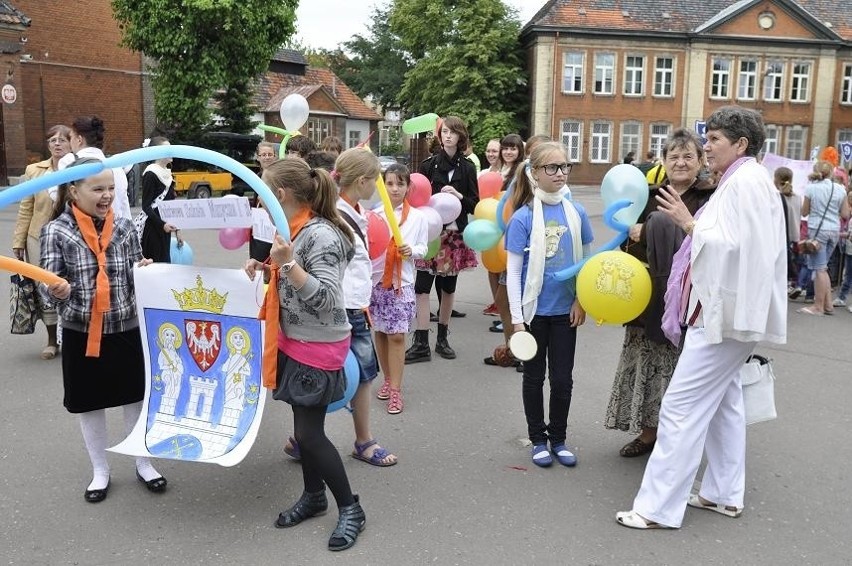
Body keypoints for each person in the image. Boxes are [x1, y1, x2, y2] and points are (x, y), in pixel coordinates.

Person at [616, 105, 787, 530]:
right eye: (706, 138)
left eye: (713, 140)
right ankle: (723, 494)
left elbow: (735, 249)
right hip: (726, 314)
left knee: (680, 406)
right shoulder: (745, 180)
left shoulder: (745, 183)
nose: (706, 147)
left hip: (721, 317)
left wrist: (689, 222)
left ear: (741, 144)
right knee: (725, 404)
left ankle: (656, 509)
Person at [245, 157, 365, 551]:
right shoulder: (293, 229)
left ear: (279, 195)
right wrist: (268, 270)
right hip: (295, 340)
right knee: (304, 430)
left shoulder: (321, 236)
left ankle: (350, 508)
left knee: (309, 436)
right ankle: (314, 497)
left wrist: (288, 265)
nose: (260, 202)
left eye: (263, 193)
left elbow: (329, 300)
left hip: (319, 345)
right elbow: (294, 283)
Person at [40, 157, 167, 503]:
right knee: (89, 403)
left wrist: (143, 269)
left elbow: (132, 270)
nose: (107, 195)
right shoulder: (56, 230)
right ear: (74, 190)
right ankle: (101, 470)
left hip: (126, 327)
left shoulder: (124, 226)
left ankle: (143, 462)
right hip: (82, 331)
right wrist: (55, 288)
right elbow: (46, 282)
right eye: (98, 188)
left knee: (135, 398)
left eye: (111, 188)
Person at [283, 148, 399, 461]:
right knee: (357, 375)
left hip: (352, 306)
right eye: (375, 181)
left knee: (346, 374)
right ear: (362, 181)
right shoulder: (335, 217)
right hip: (341, 309)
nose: (377, 188)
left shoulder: (348, 212)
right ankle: (362, 442)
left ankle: (302, 438)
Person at [606, 129, 715, 457]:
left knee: (681, 368)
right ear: (664, 161)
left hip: (686, 299)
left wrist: (660, 230)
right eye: (674, 157)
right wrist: (634, 236)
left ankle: (679, 438)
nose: (681, 163)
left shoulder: (710, 197)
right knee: (644, 363)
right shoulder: (648, 195)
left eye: (688, 156)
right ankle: (648, 433)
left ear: (700, 161)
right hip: (646, 293)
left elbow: (711, 244)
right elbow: (624, 245)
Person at [505, 142, 594, 468]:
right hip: (532, 315)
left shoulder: (577, 212)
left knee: (562, 380)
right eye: (552, 167)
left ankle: (558, 438)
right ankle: (538, 439)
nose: (560, 173)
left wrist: (581, 300)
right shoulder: (523, 218)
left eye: (564, 166)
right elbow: (513, 273)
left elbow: (586, 262)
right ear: (534, 173)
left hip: (564, 313)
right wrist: (516, 320)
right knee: (533, 377)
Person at [406, 116, 479, 363]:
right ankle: (421, 342)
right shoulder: (428, 166)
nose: (448, 136)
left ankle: (442, 338)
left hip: (454, 235)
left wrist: (457, 195)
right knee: (421, 287)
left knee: (448, 288)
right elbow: (416, 198)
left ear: (460, 137)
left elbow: (474, 204)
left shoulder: (468, 168)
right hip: (430, 234)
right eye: (444, 132)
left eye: (452, 132)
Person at [373, 163, 429, 414]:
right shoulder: (375, 214)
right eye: (390, 183)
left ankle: (396, 389)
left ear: (408, 187)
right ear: (383, 185)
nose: (395, 188)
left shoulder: (417, 217)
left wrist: (411, 250)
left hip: (401, 282)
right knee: (382, 333)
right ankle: (386, 379)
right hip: (377, 282)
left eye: (400, 183)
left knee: (397, 335)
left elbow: (424, 248)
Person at [12, 124, 71, 359]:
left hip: (70, 237)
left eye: (62, 140)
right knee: (45, 288)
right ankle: (51, 340)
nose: (56, 144)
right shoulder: (34, 171)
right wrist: (19, 240)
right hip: (38, 237)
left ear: (72, 142)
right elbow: (26, 207)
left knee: (71, 286)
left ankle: (75, 337)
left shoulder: (79, 168)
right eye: (52, 140)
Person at [797, 160, 849, 316]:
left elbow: (804, 212)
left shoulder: (811, 188)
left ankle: (818, 306)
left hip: (817, 230)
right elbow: (846, 214)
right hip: (834, 229)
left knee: (819, 269)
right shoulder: (840, 189)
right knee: (823, 267)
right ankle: (827, 305)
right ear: (832, 172)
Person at [482, 134, 525, 317]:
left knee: (509, 272)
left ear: (519, 151)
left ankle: (509, 312)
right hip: (493, 225)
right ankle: (500, 310)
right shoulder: (495, 171)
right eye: (505, 148)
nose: (508, 152)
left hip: (511, 225)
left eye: (512, 148)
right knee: (493, 268)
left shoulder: (521, 171)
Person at [59, 116, 132, 221]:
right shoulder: (116, 167)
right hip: (116, 229)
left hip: (80, 229)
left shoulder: (69, 162)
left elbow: (59, 196)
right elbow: (124, 206)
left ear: (79, 140)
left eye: (71, 138)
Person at [135, 137, 181, 262]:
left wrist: (178, 230)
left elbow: (172, 204)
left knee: (165, 264)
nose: (171, 152)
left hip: (165, 229)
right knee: (156, 265)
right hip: (153, 228)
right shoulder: (151, 173)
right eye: (167, 149)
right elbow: (146, 206)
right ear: (157, 152)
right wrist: (162, 224)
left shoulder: (168, 174)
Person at [249, 141, 278, 263]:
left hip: (274, 224)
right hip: (258, 226)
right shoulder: (257, 176)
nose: (267, 157)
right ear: (258, 157)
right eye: (264, 155)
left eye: (269, 154)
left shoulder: (279, 176)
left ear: (275, 156)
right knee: (257, 259)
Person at [774, 167, 802, 292]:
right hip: (795, 233)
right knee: (792, 260)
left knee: (781, 262)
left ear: (776, 179)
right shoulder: (797, 197)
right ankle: (792, 283)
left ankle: (784, 284)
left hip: (782, 234)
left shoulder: (777, 196)